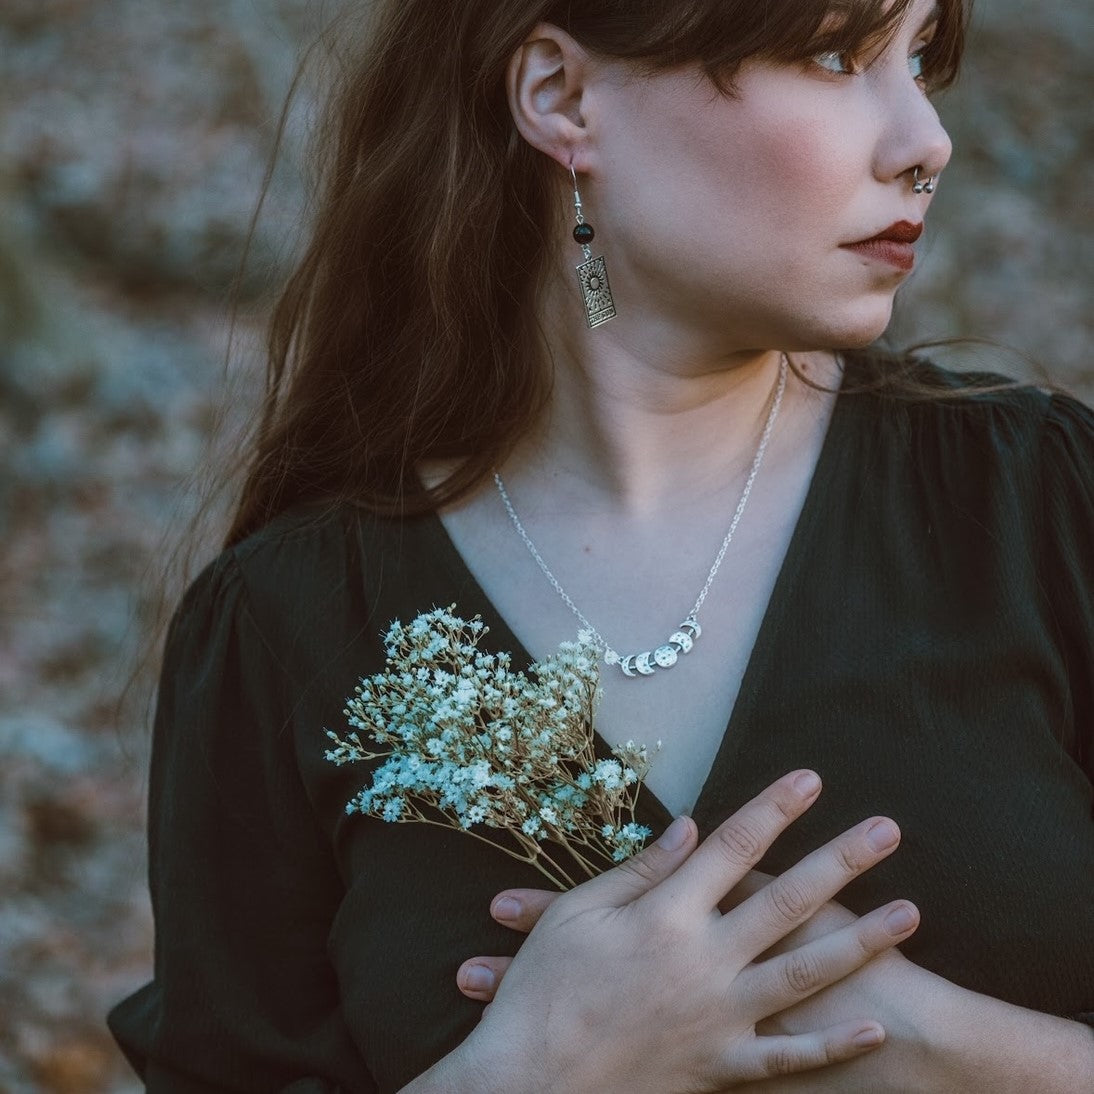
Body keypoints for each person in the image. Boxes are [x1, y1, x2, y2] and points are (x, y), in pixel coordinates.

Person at [108, 0, 1094, 1089]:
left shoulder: (1040, 505)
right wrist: (534, 1065)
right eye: (833, 55)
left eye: (918, 63)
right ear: (561, 98)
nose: (924, 142)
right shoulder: (289, 622)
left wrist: (943, 1048)